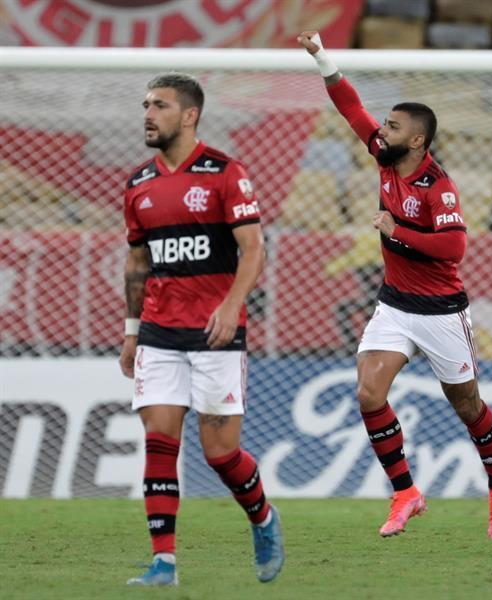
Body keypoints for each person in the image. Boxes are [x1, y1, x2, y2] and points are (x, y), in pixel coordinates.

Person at [297, 31, 492, 539]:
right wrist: (322, 56)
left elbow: (455, 248)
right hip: (394, 304)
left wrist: (401, 232)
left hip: (441, 310)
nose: (382, 130)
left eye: (393, 126)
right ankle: (406, 492)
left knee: (468, 407)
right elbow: (351, 109)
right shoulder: (384, 156)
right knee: (369, 393)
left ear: (416, 140)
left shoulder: (438, 186)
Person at [119, 73, 284, 585]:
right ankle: (164, 562)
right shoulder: (139, 184)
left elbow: (254, 248)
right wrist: (131, 330)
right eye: (146, 104)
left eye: (160, 105)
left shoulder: (224, 173)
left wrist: (233, 305)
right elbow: (137, 263)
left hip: (215, 333)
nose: (148, 113)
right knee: (160, 441)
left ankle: (262, 517)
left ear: (189, 115)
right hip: (160, 333)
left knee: (220, 455)